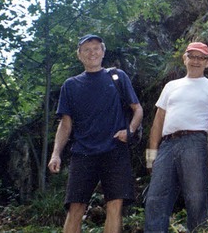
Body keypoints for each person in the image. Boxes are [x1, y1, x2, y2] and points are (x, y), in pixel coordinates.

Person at [48, 34, 143, 233]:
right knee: (75, 207)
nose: (92, 53)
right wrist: (56, 153)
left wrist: (130, 130)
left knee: (115, 205)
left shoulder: (117, 77)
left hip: (115, 150)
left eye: (96, 48)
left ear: (103, 51)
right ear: (79, 55)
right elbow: (65, 124)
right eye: (87, 49)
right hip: (82, 153)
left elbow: (138, 109)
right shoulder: (70, 85)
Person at [144, 42, 208, 232]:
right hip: (167, 144)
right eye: (192, 56)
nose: (196, 61)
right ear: (185, 58)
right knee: (156, 197)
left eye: (201, 58)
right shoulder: (171, 86)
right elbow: (158, 121)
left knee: (196, 197)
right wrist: (151, 156)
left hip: (194, 143)